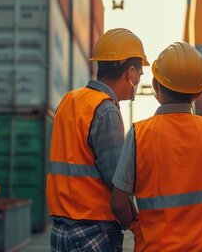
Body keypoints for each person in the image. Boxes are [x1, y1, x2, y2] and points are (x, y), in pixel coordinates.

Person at [111, 41, 202, 251]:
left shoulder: (139, 134)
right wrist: (199, 221)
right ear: (198, 94)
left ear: (155, 86)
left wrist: (135, 226)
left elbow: (118, 202)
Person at [46, 28, 148, 252]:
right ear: (130, 73)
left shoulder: (69, 100)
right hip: (92, 230)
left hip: (61, 231)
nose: (139, 81)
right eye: (140, 75)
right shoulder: (105, 109)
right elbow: (117, 181)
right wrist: (135, 222)